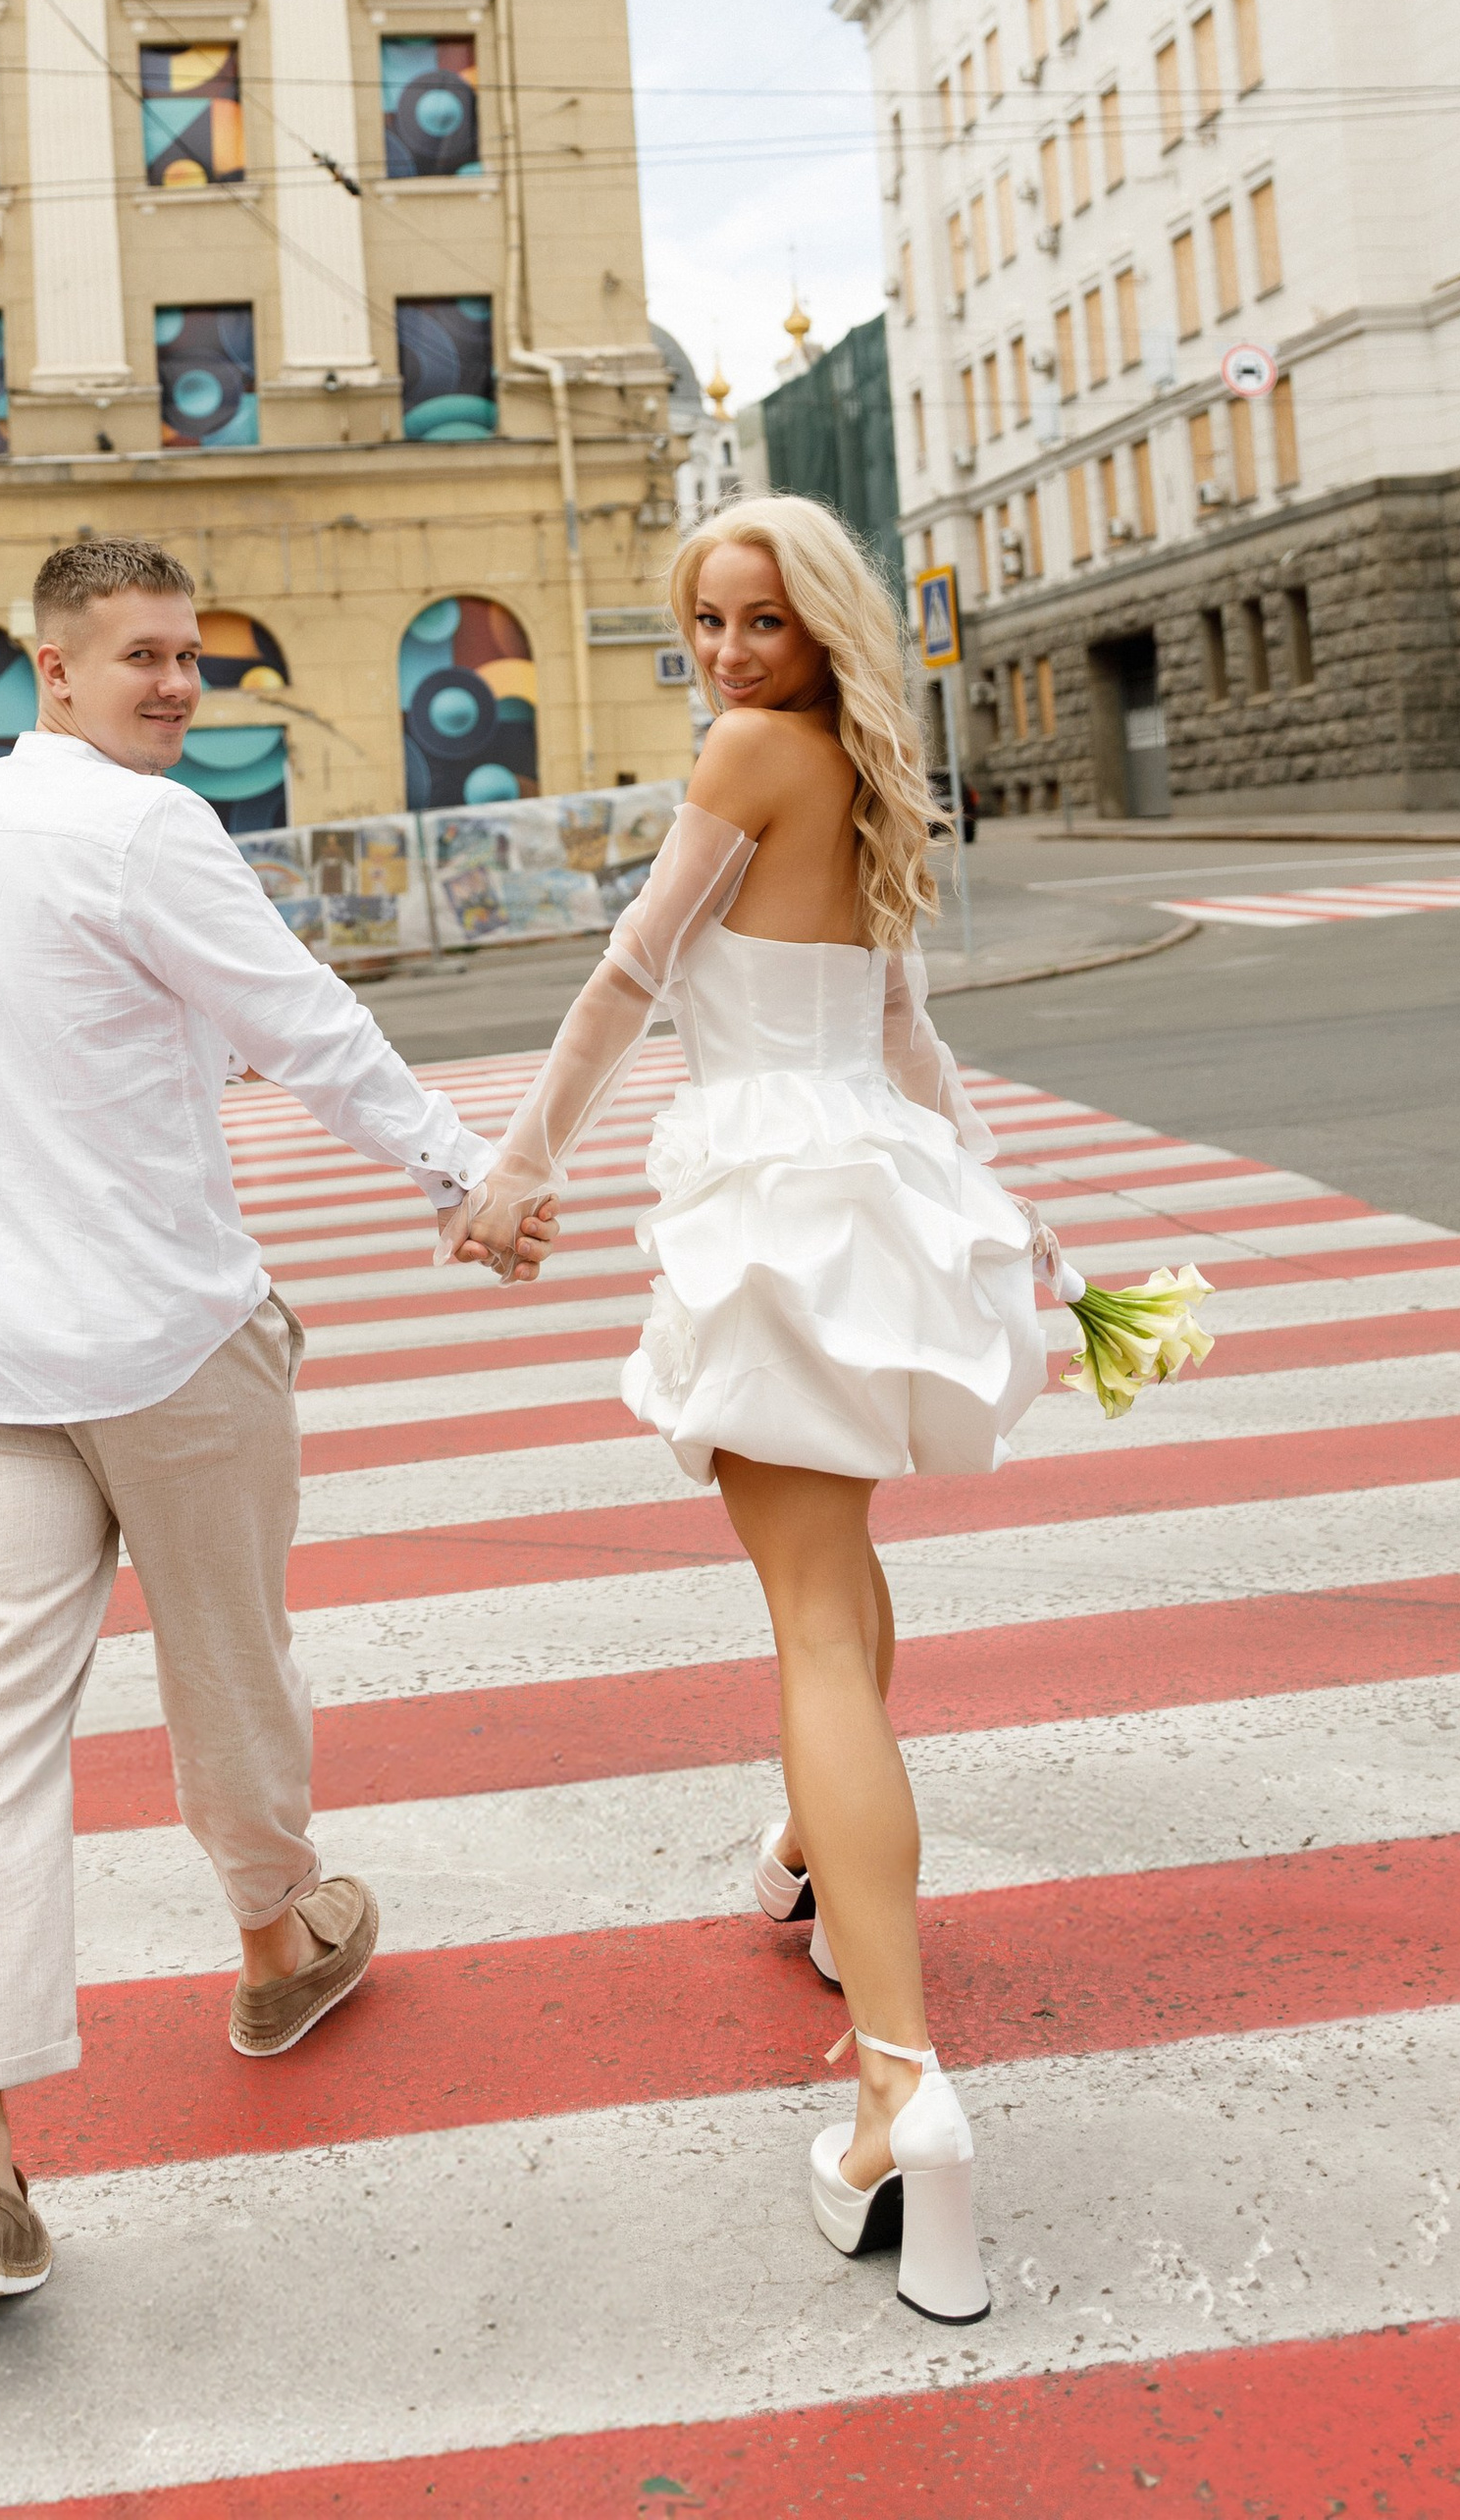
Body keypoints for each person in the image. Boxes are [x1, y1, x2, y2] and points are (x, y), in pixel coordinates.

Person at [0, 534, 556, 2302]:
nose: (179, 684)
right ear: (53, 670)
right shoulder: (147, 830)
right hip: (166, 1339)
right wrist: (465, 1173)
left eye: (191, 655)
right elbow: (307, 1025)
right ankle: (278, 1944)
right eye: (140, 658)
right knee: (230, 1661)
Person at [452, 493, 1061, 2328]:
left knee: (806, 1613)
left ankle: (900, 2095)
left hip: (777, 1199)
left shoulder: (744, 759)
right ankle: (812, 1860)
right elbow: (907, 1036)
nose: (729, 652)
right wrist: (1022, 1212)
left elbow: (634, 972)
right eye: (708, 621)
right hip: (869, 1181)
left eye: (763, 620)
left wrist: (514, 1167)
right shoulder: (867, 765)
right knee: (839, 1580)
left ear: (818, 628)